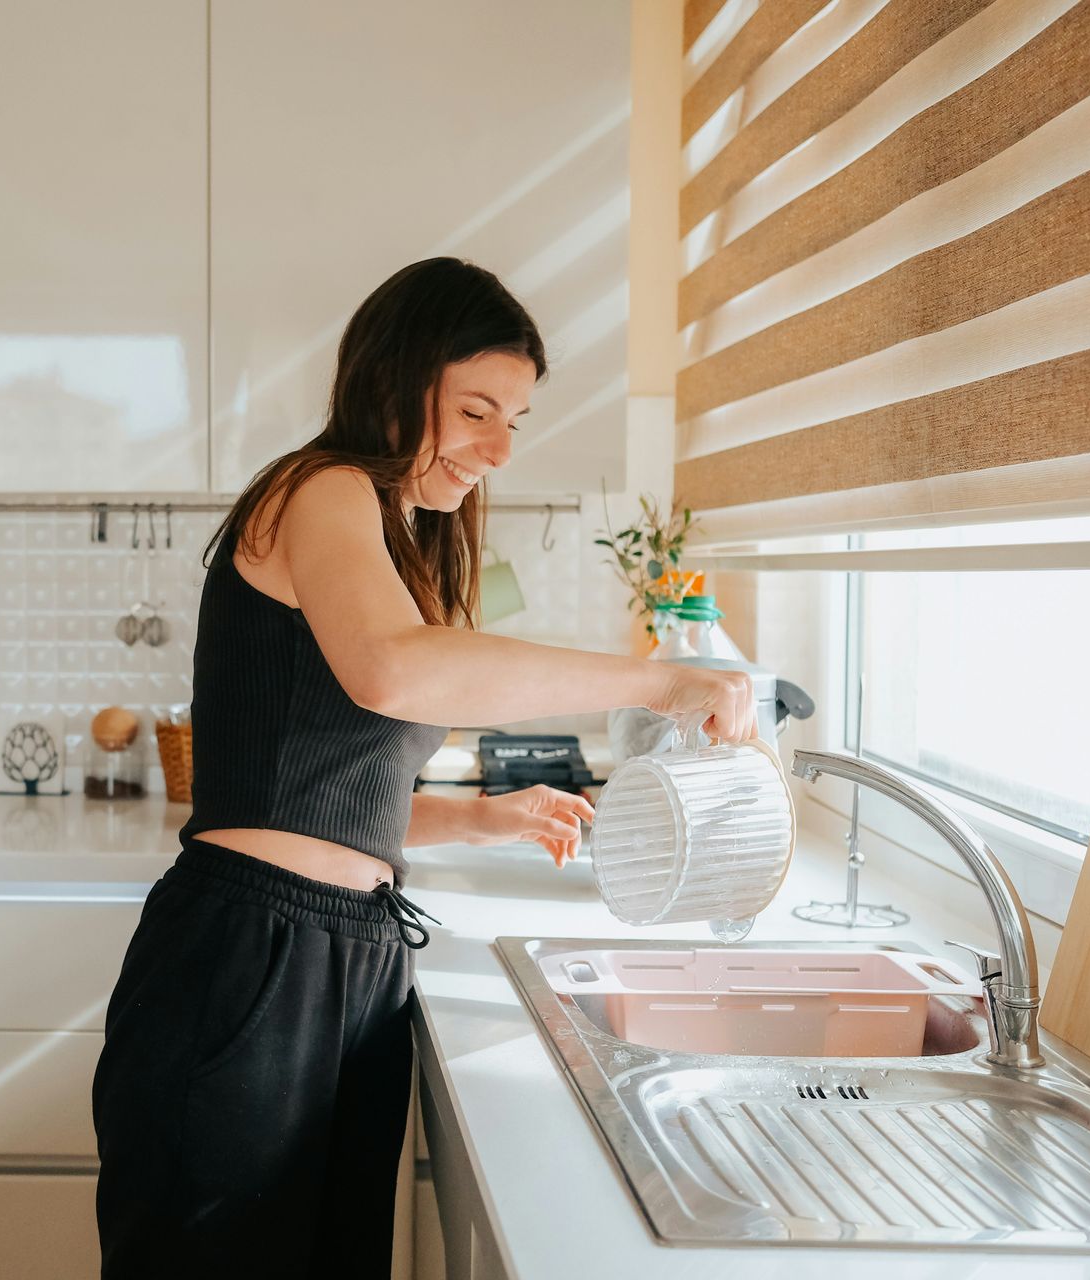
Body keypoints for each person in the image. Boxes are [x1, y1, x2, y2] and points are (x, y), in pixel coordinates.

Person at [89, 257, 756, 1278]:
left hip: (345, 957)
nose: (496, 447)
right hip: (248, 957)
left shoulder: (394, 536)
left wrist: (477, 819)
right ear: (397, 381)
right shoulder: (321, 489)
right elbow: (395, 670)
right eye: (475, 410)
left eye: (514, 420)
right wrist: (656, 680)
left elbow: (317, 789)